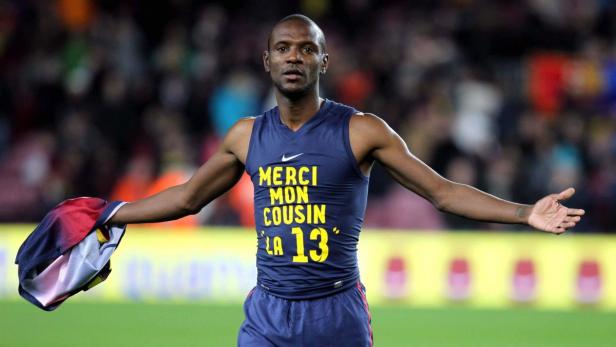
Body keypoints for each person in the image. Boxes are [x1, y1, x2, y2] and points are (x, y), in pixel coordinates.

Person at [109, 14, 585, 346]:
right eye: (283, 48)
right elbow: (189, 198)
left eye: (307, 48)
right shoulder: (245, 136)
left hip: (336, 312)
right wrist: (109, 215)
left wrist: (525, 212)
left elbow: (442, 191)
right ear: (267, 62)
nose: (294, 57)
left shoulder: (361, 130)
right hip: (268, 314)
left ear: (324, 62)